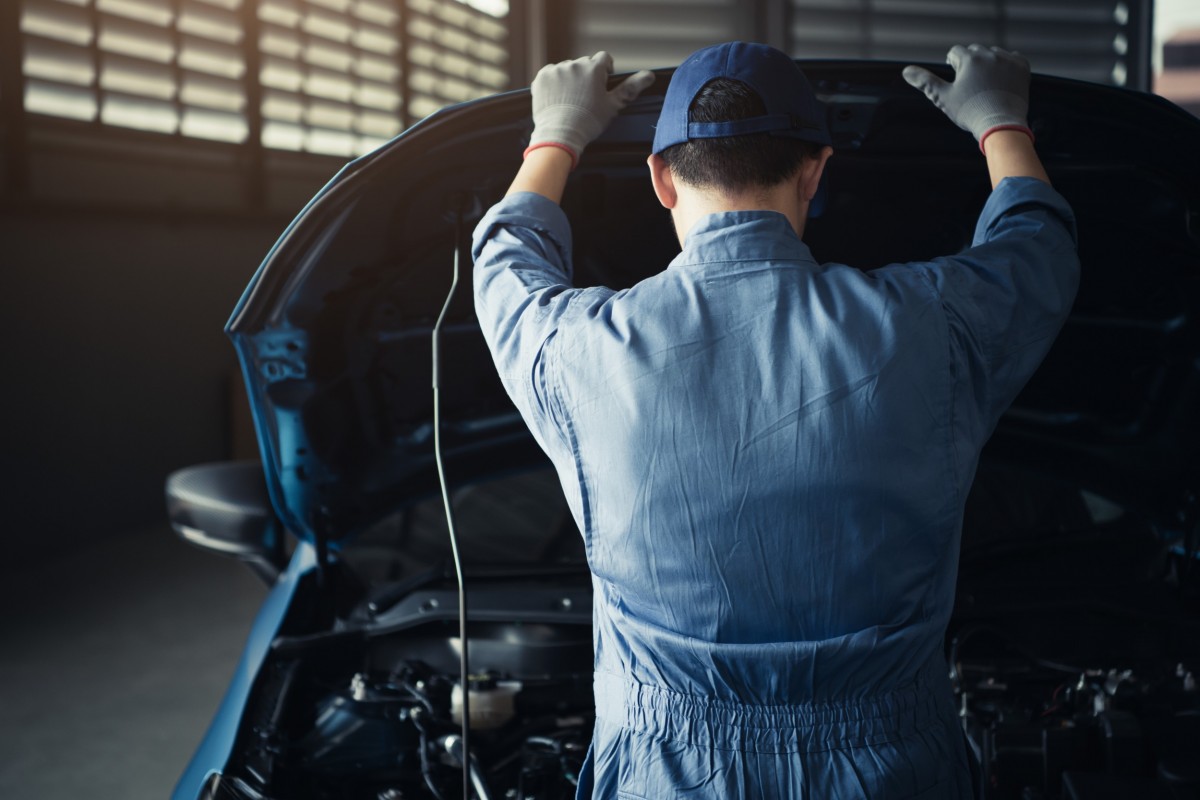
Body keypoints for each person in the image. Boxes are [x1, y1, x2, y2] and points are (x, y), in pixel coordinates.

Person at [472, 42, 1079, 799]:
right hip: (893, 773)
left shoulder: (578, 347)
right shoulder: (930, 323)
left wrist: (557, 135)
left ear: (661, 179)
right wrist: (1000, 123)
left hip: (667, 773)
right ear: (816, 173)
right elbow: (1038, 252)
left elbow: (504, 263)